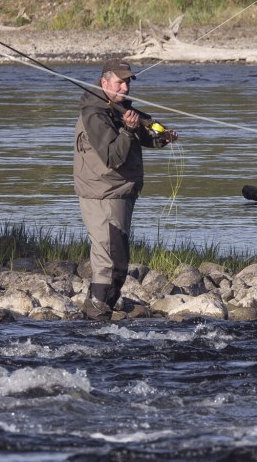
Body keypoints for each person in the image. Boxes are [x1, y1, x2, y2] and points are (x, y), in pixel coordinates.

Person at [73, 57, 177, 320]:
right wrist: (129, 131)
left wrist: (162, 137)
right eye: (120, 83)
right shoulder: (94, 115)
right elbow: (113, 157)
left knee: (117, 262)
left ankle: (95, 317)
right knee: (111, 264)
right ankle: (96, 317)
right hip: (103, 196)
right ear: (104, 81)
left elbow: (144, 137)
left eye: (128, 83)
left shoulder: (119, 109)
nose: (126, 89)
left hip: (120, 194)